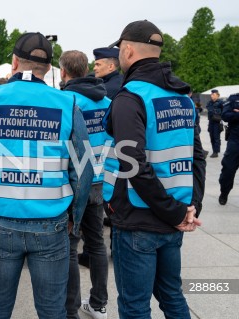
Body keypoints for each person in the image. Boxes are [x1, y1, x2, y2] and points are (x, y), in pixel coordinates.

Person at [0, 32, 93, 319]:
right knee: (51, 311)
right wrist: (77, 218)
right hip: (51, 223)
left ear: (14, 62)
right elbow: (83, 172)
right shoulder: (66, 103)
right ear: (47, 69)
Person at [103, 20, 206, 319]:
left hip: (139, 221)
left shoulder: (131, 96)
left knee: (135, 307)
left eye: (120, 50)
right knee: (173, 297)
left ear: (128, 50)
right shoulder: (181, 97)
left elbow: (133, 164)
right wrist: (191, 206)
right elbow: (196, 156)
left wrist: (176, 212)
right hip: (174, 216)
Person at [59, 50, 110, 319]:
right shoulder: (108, 101)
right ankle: (99, 303)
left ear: (64, 72)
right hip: (100, 180)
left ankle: (71, 310)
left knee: (69, 245)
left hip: (74, 182)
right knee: (97, 243)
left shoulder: (66, 101)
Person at [218, 93, 239, 205]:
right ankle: (224, 193)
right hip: (235, 141)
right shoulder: (233, 99)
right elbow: (225, 115)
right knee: (228, 170)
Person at [206, 89, 224, 158]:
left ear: (217, 95)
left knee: (216, 137)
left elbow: (224, 111)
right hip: (211, 122)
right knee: (212, 137)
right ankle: (214, 150)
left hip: (217, 122)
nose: (212, 96)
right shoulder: (209, 102)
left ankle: (216, 152)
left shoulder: (221, 102)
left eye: (213, 94)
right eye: (211, 94)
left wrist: (220, 116)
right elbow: (208, 108)